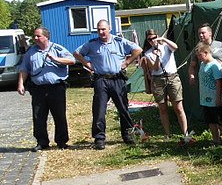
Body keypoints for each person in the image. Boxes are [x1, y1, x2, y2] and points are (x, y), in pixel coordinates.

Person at [74, 20, 142, 150]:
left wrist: (127, 62)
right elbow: (77, 53)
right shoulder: (92, 44)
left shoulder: (119, 42)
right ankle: (99, 138)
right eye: (99, 29)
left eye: (104, 29)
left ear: (109, 29)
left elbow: (138, 50)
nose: (101, 32)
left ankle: (127, 134)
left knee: (123, 108)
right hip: (101, 80)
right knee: (99, 110)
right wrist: (87, 64)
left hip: (117, 80)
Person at [17, 26, 75, 151]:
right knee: (38, 116)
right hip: (38, 89)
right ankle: (42, 142)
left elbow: (72, 60)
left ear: (46, 37)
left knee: (59, 115)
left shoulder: (57, 48)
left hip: (56, 88)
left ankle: (61, 141)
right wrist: (20, 84)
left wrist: (55, 59)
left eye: (38, 36)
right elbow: (24, 68)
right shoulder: (31, 51)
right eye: (35, 36)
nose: (35, 38)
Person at [140, 29, 189, 138]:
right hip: (158, 79)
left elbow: (175, 47)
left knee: (178, 107)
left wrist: (163, 39)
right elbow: (155, 67)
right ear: (147, 41)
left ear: (157, 36)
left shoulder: (166, 47)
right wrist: (157, 56)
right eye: (150, 39)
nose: (152, 41)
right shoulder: (148, 53)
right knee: (162, 108)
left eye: (154, 38)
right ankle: (167, 134)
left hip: (172, 77)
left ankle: (186, 133)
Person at [196, 43, 222, 145]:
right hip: (205, 98)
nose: (199, 58)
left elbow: (219, 82)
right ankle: (216, 139)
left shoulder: (215, 65)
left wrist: (218, 98)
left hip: (214, 98)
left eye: (200, 55)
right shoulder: (202, 64)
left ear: (206, 53)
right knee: (210, 121)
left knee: (220, 120)